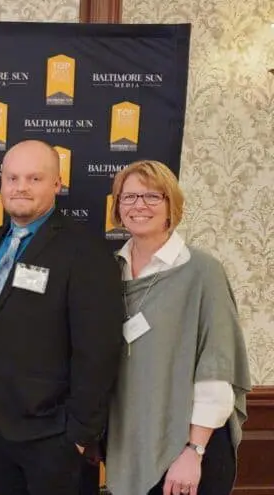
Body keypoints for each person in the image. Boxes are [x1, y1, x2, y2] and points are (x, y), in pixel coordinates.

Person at [0, 139, 123, 495]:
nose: (20, 187)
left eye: (34, 178)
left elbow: (98, 349)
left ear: (57, 184)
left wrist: (80, 434)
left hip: (53, 436)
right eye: (12, 178)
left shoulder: (86, 251)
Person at [105, 160, 251, 495]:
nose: (139, 205)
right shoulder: (109, 271)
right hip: (129, 445)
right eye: (129, 197)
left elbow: (217, 368)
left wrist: (193, 451)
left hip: (188, 453)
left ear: (172, 204)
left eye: (152, 196)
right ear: (118, 207)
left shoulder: (202, 272)